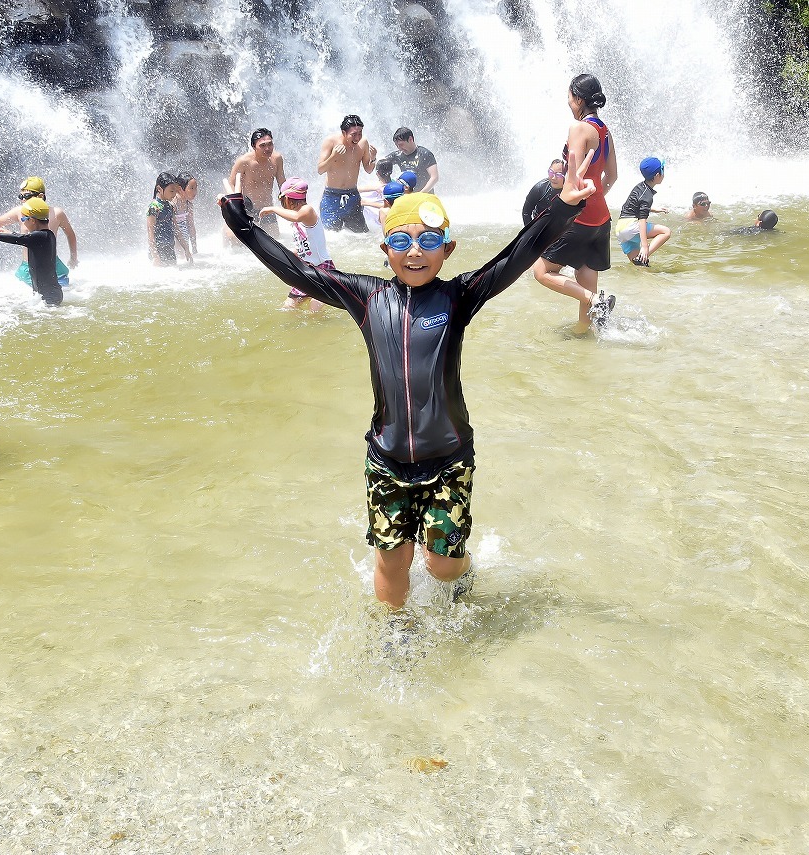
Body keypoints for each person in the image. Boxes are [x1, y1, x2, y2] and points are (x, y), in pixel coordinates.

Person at [218, 156, 598, 610]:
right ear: (386, 248)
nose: (414, 252)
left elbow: (514, 256)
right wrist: (244, 228)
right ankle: (396, 632)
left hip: (448, 459)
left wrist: (562, 208)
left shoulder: (459, 296)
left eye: (428, 240)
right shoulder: (368, 297)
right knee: (392, 562)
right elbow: (299, 272)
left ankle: (462, 567)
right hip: (387, 460)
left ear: (447, 249)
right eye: (401, 240)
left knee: (442, 566)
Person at [532, 74, 618, 333]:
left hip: (579, 217)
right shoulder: (605, 131)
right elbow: (612, 176)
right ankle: (584, 332)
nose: (568, 103)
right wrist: (595, 197)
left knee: (541, 271)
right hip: (601, 219)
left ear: (579, 99)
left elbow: (572, 180)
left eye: (569, 97)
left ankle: (596, 301)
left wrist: (569, 207)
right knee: (585, 274)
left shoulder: (579, 128)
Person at [0, 176, 78, 290]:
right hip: (28, 268)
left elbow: (70, 235)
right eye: (20, 196)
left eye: (26, 196)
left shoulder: (57, 213)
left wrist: (73, 257)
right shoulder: (20, 211)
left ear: (40, 196)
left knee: (60, 298)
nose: (23, 200)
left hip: (53, 267)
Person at [0, 197, 63, 306]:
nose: (23, 222)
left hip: (50, 296)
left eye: (24, 219)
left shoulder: (40, 236)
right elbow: (24, 238)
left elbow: (19, 239)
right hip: (47, 294)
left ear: (32, 220)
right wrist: (10, 233)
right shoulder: (47, 235)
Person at [258, 178, 333, 311]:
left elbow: (296, 216)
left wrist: (273, 209)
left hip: (322, 268)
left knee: (315, 307)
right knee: (289, 306)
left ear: (287, 199)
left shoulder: (307, 210)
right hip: (306, 269)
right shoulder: (298, 218)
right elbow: (305, 246)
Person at [317, 115, 377, 233]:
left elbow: (368, 169)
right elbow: (320, 170)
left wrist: (373, 158)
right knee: (332, 236)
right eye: (353, 134)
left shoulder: (363, 143)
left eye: (360, 133)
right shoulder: (331, 142)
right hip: (332, 198)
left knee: (362, 235)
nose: (357, 138)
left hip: (352, 196)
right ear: (344, 133)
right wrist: (333, 156)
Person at [228, 129, 286, 238]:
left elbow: (282, 184)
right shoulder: (244, 161)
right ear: (253, 146)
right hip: (248, 210)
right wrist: (236, 206)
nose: (267, 148)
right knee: (238, 241)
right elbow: (231, 183)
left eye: (270, 144)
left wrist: (290, 201)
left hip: (267, 209)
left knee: (276, 240)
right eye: (262, 145)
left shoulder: (277, 159)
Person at [615, 157, 671, 267]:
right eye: (663, 170)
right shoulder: (647, 195)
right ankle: (642, 256)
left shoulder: (639, 187)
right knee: (666, 232)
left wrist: (654, 209)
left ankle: (640, 261)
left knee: (641, 267)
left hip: (620, 229)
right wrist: (645, 247)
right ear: (657, 175)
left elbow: (632, 206)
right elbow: (642, 221)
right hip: (630, 227)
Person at [147, 172, 192, 267]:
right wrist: (155, 256)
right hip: (158, 250)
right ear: (159, 189)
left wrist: (186, 248)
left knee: (173, 272)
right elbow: (150, 233)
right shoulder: (154, 207)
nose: (174, 194)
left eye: (175, 191)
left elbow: (176, 229)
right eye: (171, 191)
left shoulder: (170, 206)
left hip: (170, 248)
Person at [375, 128, 439, 192]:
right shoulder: (398, 155)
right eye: (397, 145)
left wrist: (421, 193)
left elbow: (434, 177)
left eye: (401, 145)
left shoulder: (425, 154)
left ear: (410, 139)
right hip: (407, 195)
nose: (399, 148)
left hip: (425, 195)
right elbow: (380, 163)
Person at [521, 159, 565, 226]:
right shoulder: (539, 188)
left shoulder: (571, 190)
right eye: (551, 173)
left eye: (558, 175)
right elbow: (526, 212)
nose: (553, 178)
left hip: (561, 226)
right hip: (540, 224)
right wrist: (530, 229)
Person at [176, 172, 199, 254]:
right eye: (191, 188)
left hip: (183, 241)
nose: (195, 192)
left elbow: (191, 226)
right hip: (172, 240)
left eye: (196, 188)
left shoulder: (188, 205)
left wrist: (194, 248)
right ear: (180, 189)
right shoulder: (173, 204)